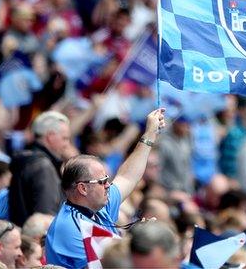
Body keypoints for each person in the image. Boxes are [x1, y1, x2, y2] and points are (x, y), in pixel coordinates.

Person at [45, 108, 166, 268]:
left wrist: (150, 134)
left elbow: (127, 176)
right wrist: (140, 238)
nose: (108, 185)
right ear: (83, 188)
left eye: (107, 180)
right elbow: (110, 265)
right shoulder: (69, 227)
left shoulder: (97, 206)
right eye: (102, 181)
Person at [9, 111, 74, 226]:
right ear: (50, 136)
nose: (67, 145)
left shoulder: (27, 158)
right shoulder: (43, 166)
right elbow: (46, 216)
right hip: (39, 237)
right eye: (65, 138)